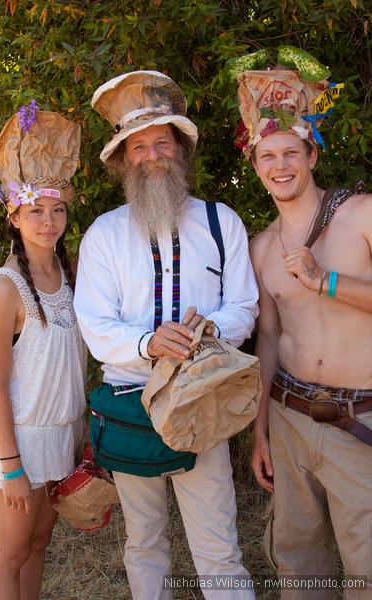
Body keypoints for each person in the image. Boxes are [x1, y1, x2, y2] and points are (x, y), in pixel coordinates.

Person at [74, 70, 259, 600]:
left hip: (206, 401)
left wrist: (207, 334)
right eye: (138, 147)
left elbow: (244, 306)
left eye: (162, 142)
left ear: (180, 150)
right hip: (134, 406)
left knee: (219, 545)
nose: (151, 155)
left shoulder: (222, 222)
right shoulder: (105, 235)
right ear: (122, 160)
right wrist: (148, 343)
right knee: (145, 541)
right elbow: (96, 322)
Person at [231, 50, 372, 598]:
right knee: (300, 564)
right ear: (257, 164)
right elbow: (268, 338)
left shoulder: (360, 215)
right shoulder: (260, 248)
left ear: (311, 155)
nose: (280, 165)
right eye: (268, 155)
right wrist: (261, 429)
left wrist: (326, 282)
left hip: (358, 422)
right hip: (290, 421)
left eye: (291, 151)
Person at [0, 104, 86, 600]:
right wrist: (13, 465)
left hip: (59, 436)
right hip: (17, 440)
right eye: (35, 210)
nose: (48, 220)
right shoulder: (6, 287)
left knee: (39, 544)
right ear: (14, 215)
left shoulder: (71, 274)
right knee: (8, 555)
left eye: (57, 209)